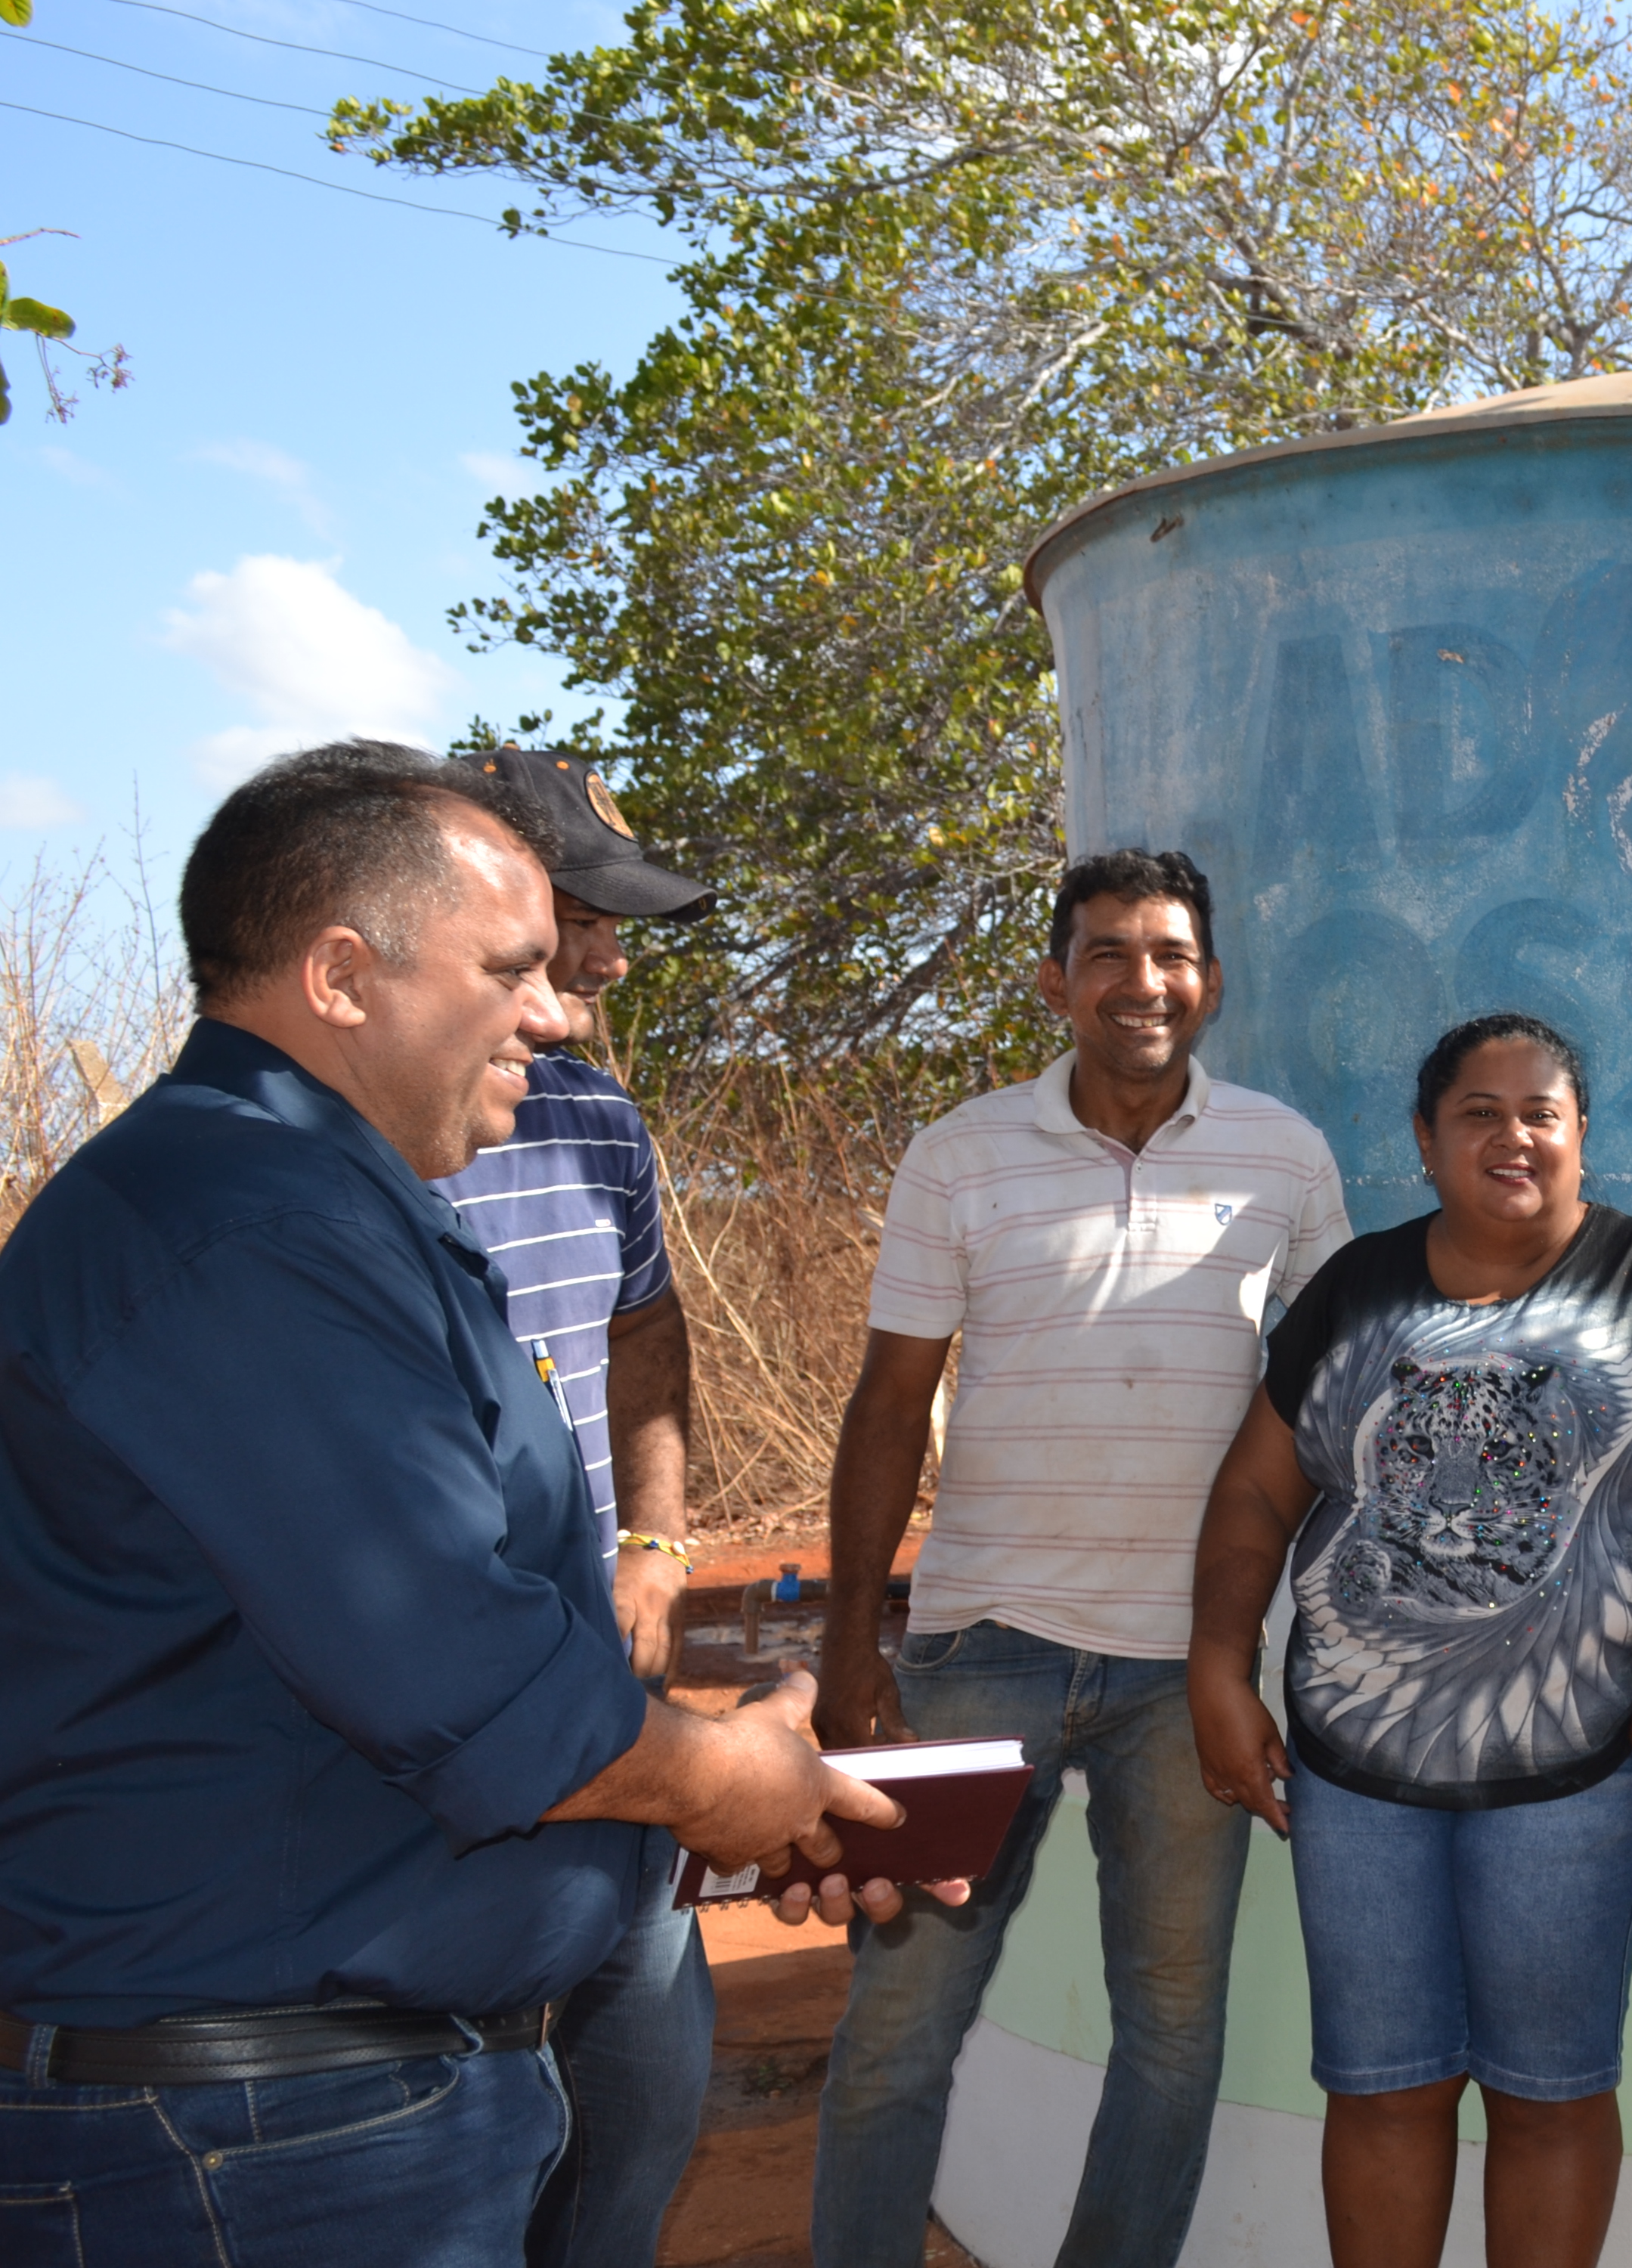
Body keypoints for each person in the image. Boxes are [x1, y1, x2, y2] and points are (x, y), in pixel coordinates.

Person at [0, 741, 918, 2266]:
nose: (557, 1014)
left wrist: (777, 1805)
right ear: (344, 975)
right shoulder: (247, 1242)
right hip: (262, 2150)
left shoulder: (307, 1209)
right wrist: (730, 1783)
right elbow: (472, 1688)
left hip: (333, 2106)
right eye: (513, 969)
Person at [1188, 1011, 1632, 2268]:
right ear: (1426, 1141)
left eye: (1542, 1111)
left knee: (1549, 2095)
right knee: (1381, 2088)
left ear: (1583, 1138)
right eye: (1478, 1112)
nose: (1514, 1134)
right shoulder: (1357, 1289)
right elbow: (1257, 1493)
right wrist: (1218, 1662)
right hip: (1355, 1775)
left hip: (1574, 1783)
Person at [809, 847, 1351, 2268]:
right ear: (1057, 981)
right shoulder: (960, 1151)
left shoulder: (1285, 1156)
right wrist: (850, 1648)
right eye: (1107, 953)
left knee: (1172, 2040)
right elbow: (886, 1407)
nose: (1142, 981)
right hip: (975, 1651)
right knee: (894, 2035)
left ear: (1212, 984)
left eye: (1169, 954)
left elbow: (1333, 1400)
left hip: (1194, 1672)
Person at [433, 745, 721, 2268]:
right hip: (439, 1720)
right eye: (585, 917)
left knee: (648, 2084)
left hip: (610, 1678)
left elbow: (647, 1329)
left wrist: (657, 1542)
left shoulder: (599, 1124)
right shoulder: (352, 1164)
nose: (610, 955)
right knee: (466, 2117)